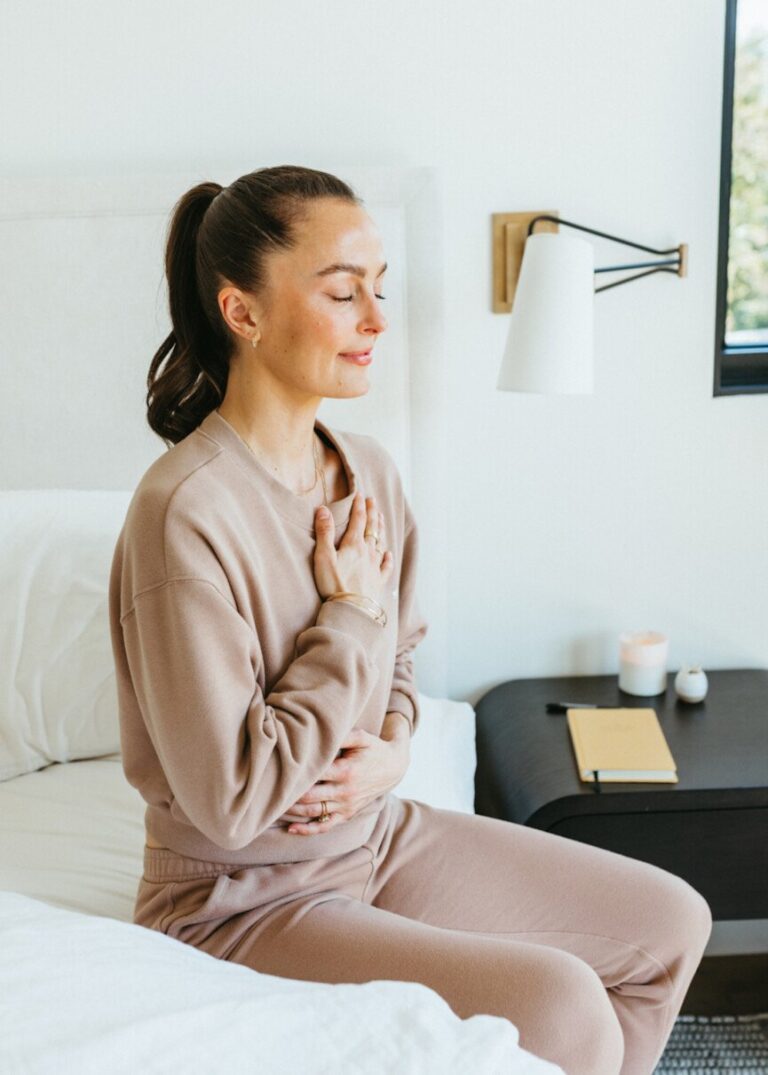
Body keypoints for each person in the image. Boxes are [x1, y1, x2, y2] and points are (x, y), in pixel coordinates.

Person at [108, 164, 712, 1075]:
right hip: (241, 896)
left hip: (374, 832)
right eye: (344, 292)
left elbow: (400, 662)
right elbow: (233, 799)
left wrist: (391, 745)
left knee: (671, 922)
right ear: (243, 312)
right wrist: (347, 611)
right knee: (564, 1003)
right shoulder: (184, 510)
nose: (378, 320)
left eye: (379, 290)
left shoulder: (369, 473)